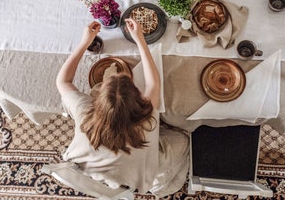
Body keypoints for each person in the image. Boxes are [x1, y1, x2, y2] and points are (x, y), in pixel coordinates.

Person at [56, 19, 189, 197]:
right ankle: (161, 183)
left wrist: (84, 43)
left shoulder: (84, 112)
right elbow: (153, 82)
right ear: (137, 99)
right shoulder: (146, 119)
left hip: (97, 171)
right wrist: (140, 40)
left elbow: (62, 81)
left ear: (98, 99)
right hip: (138, 173)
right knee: (182, 139)